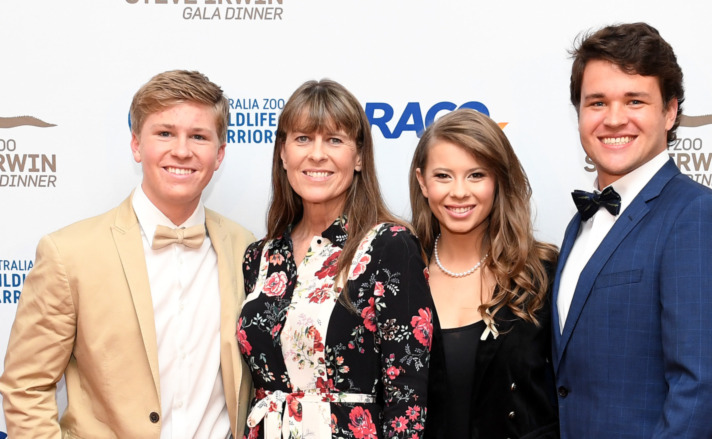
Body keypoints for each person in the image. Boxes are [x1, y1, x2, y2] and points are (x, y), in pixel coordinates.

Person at [0, 70, 255, 438]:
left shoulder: (245, 247)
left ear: (219, 154)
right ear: (136, 145)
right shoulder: (69, 253)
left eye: (198, 136)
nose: (181, 150)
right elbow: (26, 387)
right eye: (164, 133)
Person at [553, 22, 712, 438]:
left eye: (634, 101)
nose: (613, 119)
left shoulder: (699, 219)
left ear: (669, 111)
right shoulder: (578, 225)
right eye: (597, 103)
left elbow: (704, 397)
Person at [238, 79, 434, 439]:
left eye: (334, 139)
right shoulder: (260, 256)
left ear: (359, 156)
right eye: (302, 138)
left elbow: (407, 398)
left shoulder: (390, 246)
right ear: (283, 153)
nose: (317, 154)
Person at [411, 109, 559, 438]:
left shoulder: (541, 275)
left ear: (498, 180)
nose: (460, 191)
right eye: (443, 176)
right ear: (422, 182)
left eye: (476, 175)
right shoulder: (398, 277)